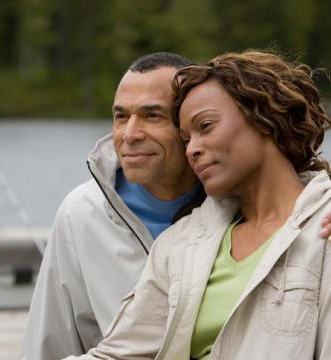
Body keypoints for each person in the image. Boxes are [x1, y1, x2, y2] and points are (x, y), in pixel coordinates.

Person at [65, 50, 331, 359]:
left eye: (205, 126)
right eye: (185, 138)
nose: (192, 149)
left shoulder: (323, 230)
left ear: (264, 119)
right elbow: (117, 355)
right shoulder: (180, 245)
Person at [23, 53, 206, 359]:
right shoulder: (80, 213)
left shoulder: (233, 204)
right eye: (121, 116)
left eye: (152, 115)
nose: (129, 134)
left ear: (189, 125)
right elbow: (49, 343)